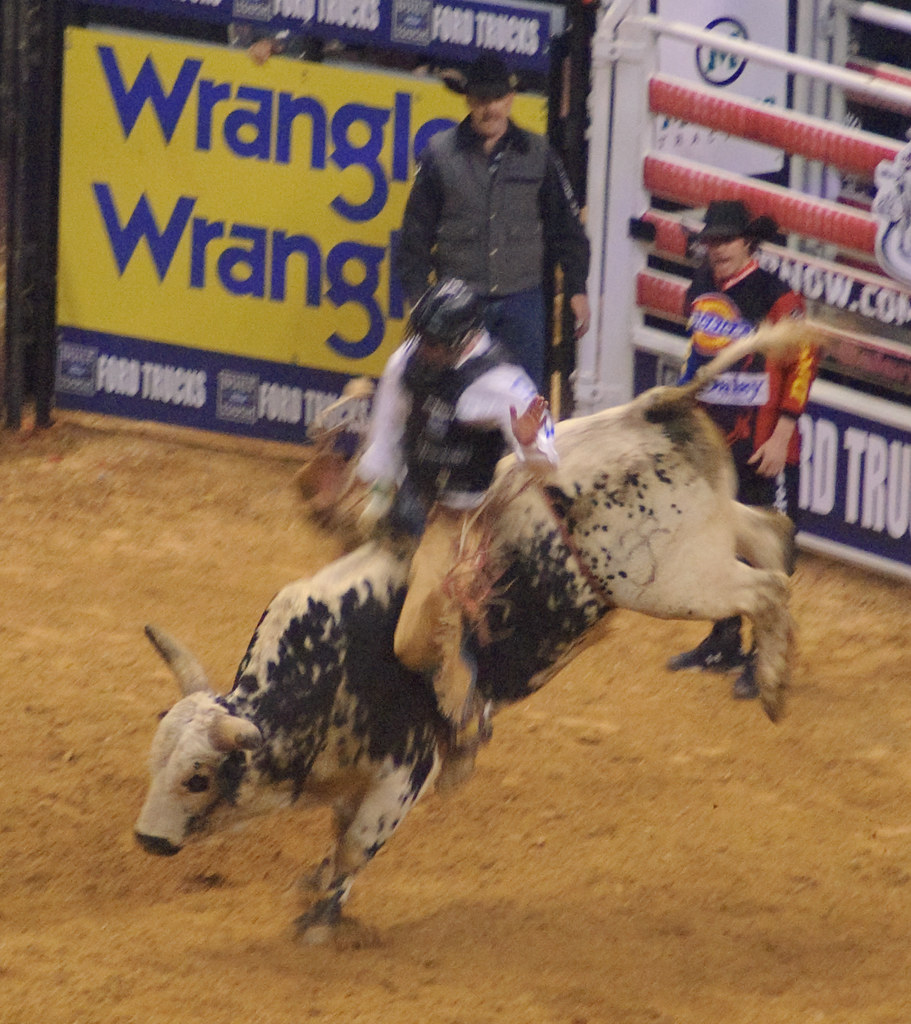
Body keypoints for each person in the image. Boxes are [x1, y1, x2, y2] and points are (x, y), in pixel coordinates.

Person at [356, 278, 557, 742]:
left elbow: (550, 462)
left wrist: (528, 443)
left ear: (465, 340)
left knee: (412, 643)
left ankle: (466, 696)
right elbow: (386, 434)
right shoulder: (404, 361)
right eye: (420, 339)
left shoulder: (504, 384)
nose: (422, 351)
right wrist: (378, 500)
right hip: (411, 496)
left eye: (434, 343)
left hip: (464, 519)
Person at [666, 199, 819, 699]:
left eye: (726, 240)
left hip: (762, 445)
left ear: (748, 242)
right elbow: (698, 353)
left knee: (766, 552)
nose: (717, 250)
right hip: (715, 441)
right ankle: (725, 640)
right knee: (717, 540)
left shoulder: (777, 296)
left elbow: (804, 361)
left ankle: (764, 655)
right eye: (711, 241)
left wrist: (783, 433)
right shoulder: (701, 286)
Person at [394, 53, 591, 393]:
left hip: (523, 304)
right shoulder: (439, 155)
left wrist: (576, 287)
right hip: (458, 306)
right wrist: (420, 299)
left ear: (510, 99)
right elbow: (415, 235)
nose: (491, 109)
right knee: (456, 401)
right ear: (469, 101)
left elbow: (566, 228)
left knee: (525, 404)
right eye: (483, 100)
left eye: (498, 99)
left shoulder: (538, 153)